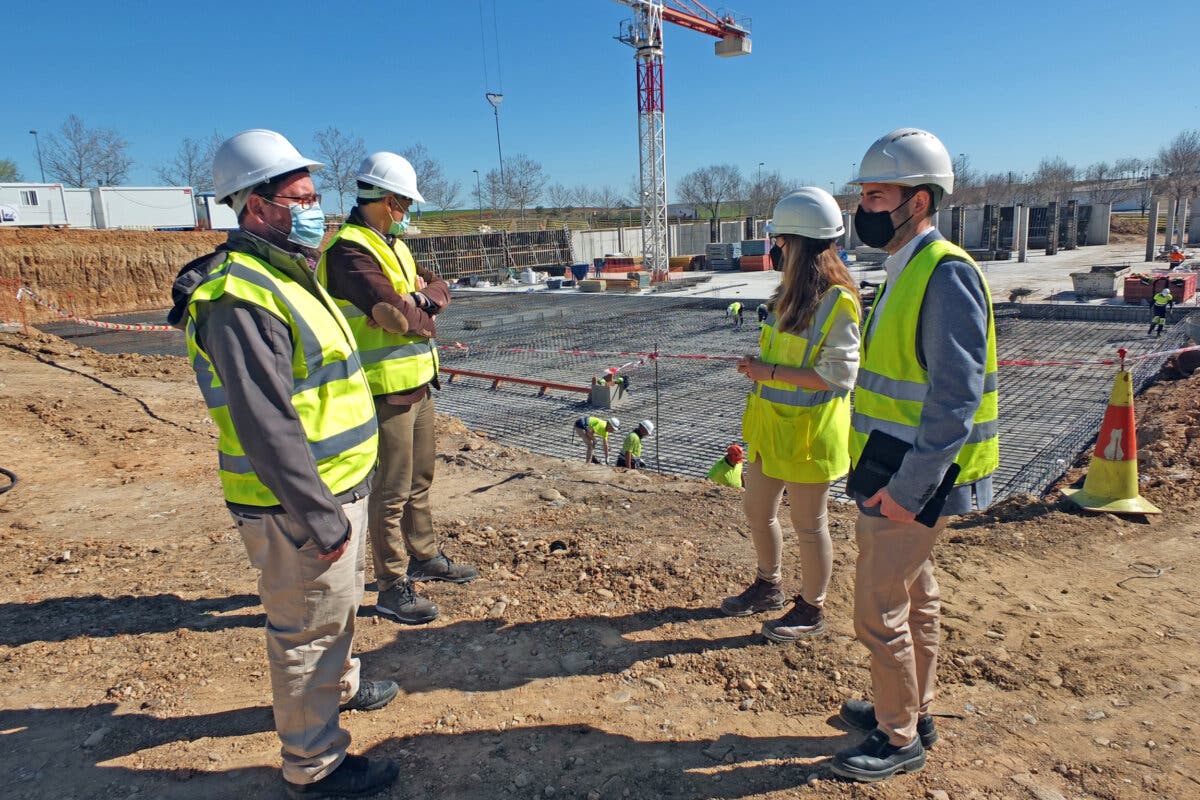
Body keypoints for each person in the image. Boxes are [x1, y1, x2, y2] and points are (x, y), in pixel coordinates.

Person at [166, 130, 399, 799]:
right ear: (254, 208)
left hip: (332, 489)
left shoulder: (284, 273)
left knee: (336, 617)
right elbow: (265, 426)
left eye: (314, 196)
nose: (315, 208)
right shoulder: (240, 296)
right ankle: (315, 764)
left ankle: (343, 688)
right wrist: (320, 516)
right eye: (299, 198)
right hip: (298, 506)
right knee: (307, 632)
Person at [831, 128, 999, 783]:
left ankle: (898, 737)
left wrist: (909, 490)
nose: (865, 208)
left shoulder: (945, 272)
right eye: (863, 195)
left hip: (912, 477)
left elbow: (954, 400)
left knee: (880, 609)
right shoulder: (906, 267)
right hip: (891, 465)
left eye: (877, 195)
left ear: (920, 201)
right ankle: (914, 709)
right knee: (917, 597)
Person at [319, 152, 477, 626]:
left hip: (418, 384)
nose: (408, 212)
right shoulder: (349, 251)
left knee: (420, 481)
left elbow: (434, 289)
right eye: (405, 203)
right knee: (390, 491)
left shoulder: (393, 245)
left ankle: (423, 555)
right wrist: (417, 310)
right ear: (389, 201)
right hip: (384, 389)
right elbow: (399, 315)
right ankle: (391, 586)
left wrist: (422, 300)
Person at [721, 188, 861, 647]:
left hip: (808, 437)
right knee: (757, 510)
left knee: (809, 524)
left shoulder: (838, 303)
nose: (775, 247)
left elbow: (839, 377)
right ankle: (769, 584)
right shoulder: (786, 295)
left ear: (799, 242)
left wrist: (771, 371)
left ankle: (812, 607)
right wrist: (760, 369)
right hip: (769, 431)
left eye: (780, 241)